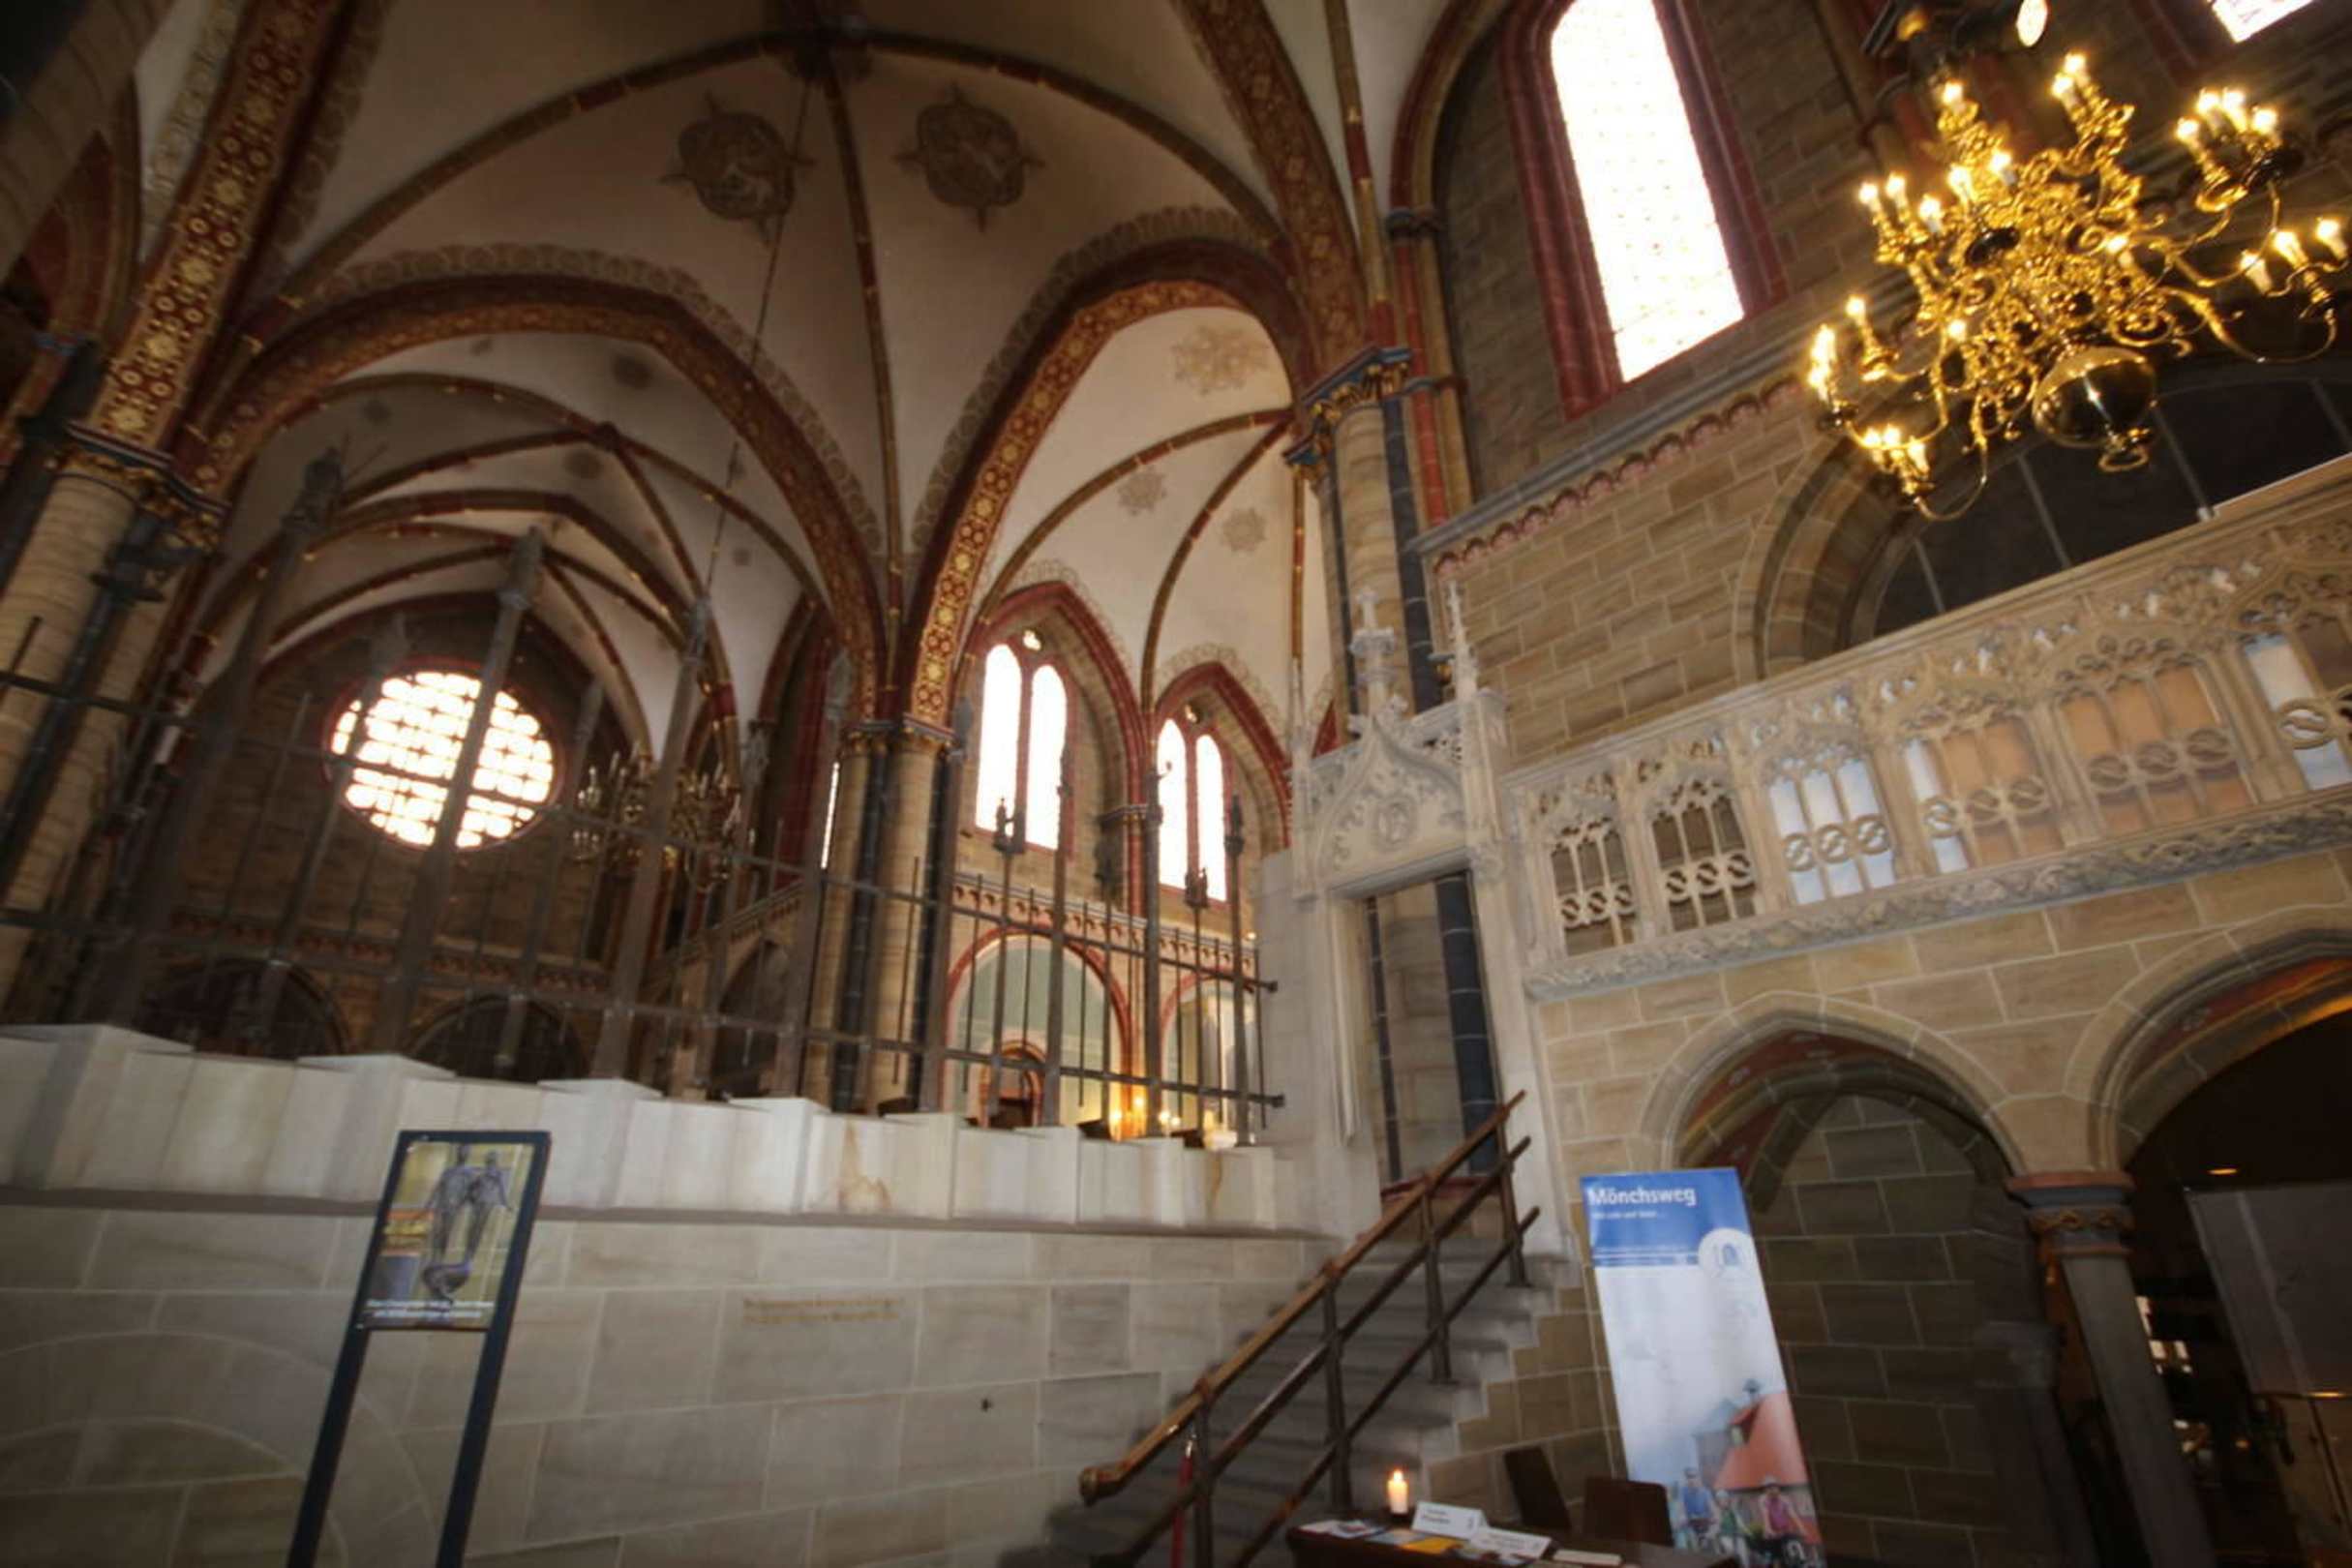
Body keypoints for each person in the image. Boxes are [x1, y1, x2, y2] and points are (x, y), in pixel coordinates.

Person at [1756, 1479, 1813, 1566]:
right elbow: (1765, 1515)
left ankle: (1801, 1562)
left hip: (1785, 1530)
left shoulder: (1784, 1500)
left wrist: (1802, 1528)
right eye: (1769, 1489)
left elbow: (1793, 1514)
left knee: (1795, 1545)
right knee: (1775, 1557)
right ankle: (1773, 1561)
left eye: (1774, 1488)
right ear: (1765, 1491)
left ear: (1778, 1488)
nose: (1772, 1491)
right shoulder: (1763, 1500)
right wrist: (1769, 1529)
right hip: (1772, 1534)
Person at [1676, 1467, 1717, 1551]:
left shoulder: (1705, 1492)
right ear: (1686, 1479)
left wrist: (1714, 1516)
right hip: (1691, 1522)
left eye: (1694, 1477)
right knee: (1689, 1537)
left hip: (1704, 1521)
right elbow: (1681, 1506)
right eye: (1689, 1477)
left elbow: (1712, 1507)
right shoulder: (1683, 1491)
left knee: (1713, 1531)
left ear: (1698, 1478)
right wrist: (1682, 1516)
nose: (1691, 1480)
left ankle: (1706, 1541)